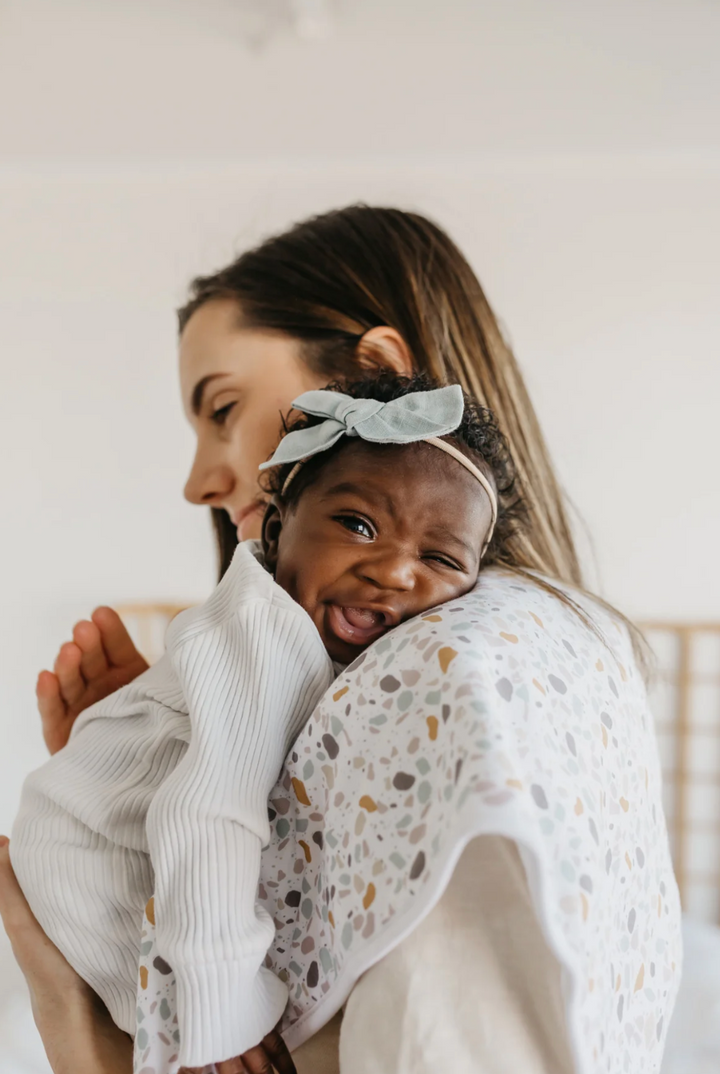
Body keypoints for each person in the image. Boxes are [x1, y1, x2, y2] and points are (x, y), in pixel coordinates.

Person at [0, 205, 675, 1074]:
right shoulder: (469, 642)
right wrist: (151, 749)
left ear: (372, 379)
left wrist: (118, 1036)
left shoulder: (463, 667)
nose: (200, 480)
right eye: (359, 526)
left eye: (224, 408)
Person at [11, 374, 513, 1074]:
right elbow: (208, 816)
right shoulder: (263, 636)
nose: (396, 570)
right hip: (87, 851)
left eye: (439, 558)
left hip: (142, 832)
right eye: (358, 524)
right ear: (276, 531)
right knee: (202, 1030)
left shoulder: (346, 651)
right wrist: (223, 1019)